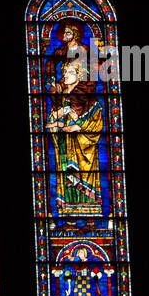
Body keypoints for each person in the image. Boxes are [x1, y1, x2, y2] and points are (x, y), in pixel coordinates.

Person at [46, 60, 104, 211]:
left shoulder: (88, 99)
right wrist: (56, 123)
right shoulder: (62, 98)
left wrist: (78, 126)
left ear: (79, 76)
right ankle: (69, 218)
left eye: (70, 72)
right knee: (67, 182)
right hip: (65, 146)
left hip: (84, 148)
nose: (65, 75)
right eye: (64, 72)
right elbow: (54, 118)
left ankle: (90, 221)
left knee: (84, 181)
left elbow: (96, 121)